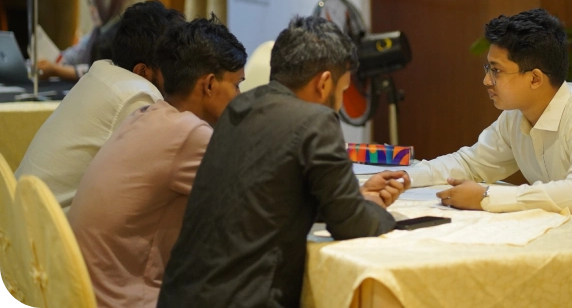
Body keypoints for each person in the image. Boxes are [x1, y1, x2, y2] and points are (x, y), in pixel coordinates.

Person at [157, 16, 409, 308]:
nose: (339, 103)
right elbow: (352, 225)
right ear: (324, 83)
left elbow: (270, 201)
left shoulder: (241, 106)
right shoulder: (316, 121)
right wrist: (375, 210)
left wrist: (353, 197)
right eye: (342, 91)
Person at [408, 8, 572, 220]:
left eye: (496, 71)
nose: (486, 81)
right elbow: (470, 164)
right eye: (488, 68)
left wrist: (487, 197)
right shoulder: (516, 116)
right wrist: (406, 178)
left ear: (535, 78)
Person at [68, 15, 247, 308]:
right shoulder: (190, 134)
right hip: (127, 300)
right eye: (237, 84)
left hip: (85, 293)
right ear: (210, 85)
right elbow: (252, 205)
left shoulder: (147, 115)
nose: (240, 97)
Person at [14, 0, 184, 211]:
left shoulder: (99, 73)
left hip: (19, 218)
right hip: (47, 234)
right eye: (172, 65)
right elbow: (156, 185)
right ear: (142, 71)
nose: (179, 75)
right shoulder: (138, 95)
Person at [37, 0, 148, 80]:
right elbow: (74, 54)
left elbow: (100, 73)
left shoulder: (133, 37)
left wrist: (56, 70)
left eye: (97, 4)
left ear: (115, 2)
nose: (91, 9)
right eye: (90, 3)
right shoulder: (99, 31)